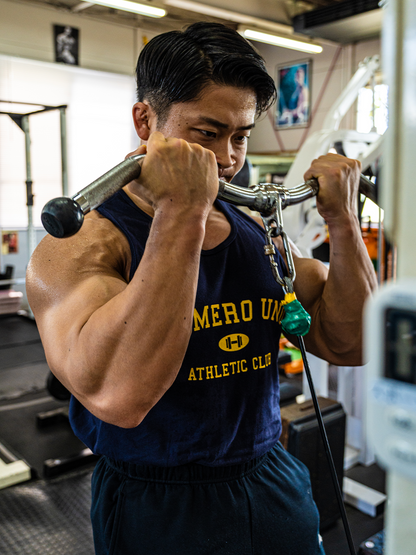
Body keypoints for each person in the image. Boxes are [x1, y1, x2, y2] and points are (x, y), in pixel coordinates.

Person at [26, 22, 377, 555]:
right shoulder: (82, 244)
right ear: (146, 121)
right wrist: (182, 211)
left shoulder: (252, 227)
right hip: (157, 501)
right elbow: (119, 397)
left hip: (269, 476)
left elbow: (352, 342)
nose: (229, 159)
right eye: (207, 134)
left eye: (240, 136)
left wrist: (344, 223)